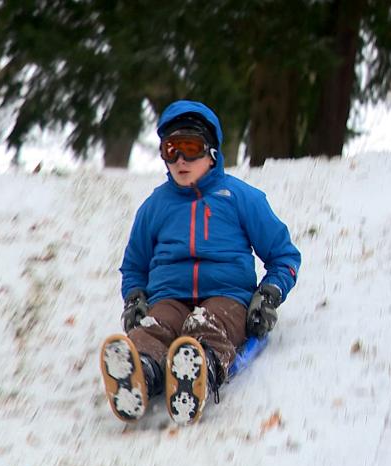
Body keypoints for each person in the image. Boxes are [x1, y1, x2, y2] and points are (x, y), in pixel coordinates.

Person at [99, 100, 301, 425]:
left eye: (190, 148)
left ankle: (198, 370)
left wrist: (270, 293)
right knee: (155, 327)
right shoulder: (155, 207)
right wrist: (135, 296)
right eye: (170, 149)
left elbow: (283, 256)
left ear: (211, 153)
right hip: (170, 296)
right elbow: (134, 265)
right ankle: (142, 372)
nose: (180, 159)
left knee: (208, 325)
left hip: (227, 296)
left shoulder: (240, 198)